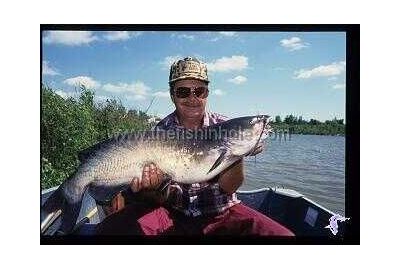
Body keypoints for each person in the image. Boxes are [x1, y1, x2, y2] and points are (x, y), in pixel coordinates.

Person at [96, 57, 294, 236]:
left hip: (222, 212)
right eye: (183, 92)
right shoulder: (160, 132)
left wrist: (237, 153)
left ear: (207, 93)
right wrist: (153, 186)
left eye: (199, 91)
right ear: (173, 95)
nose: (192, 98)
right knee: (110, 231)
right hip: (174, 213)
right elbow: (162, 197)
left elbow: (229, 187)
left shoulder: (223, 125)